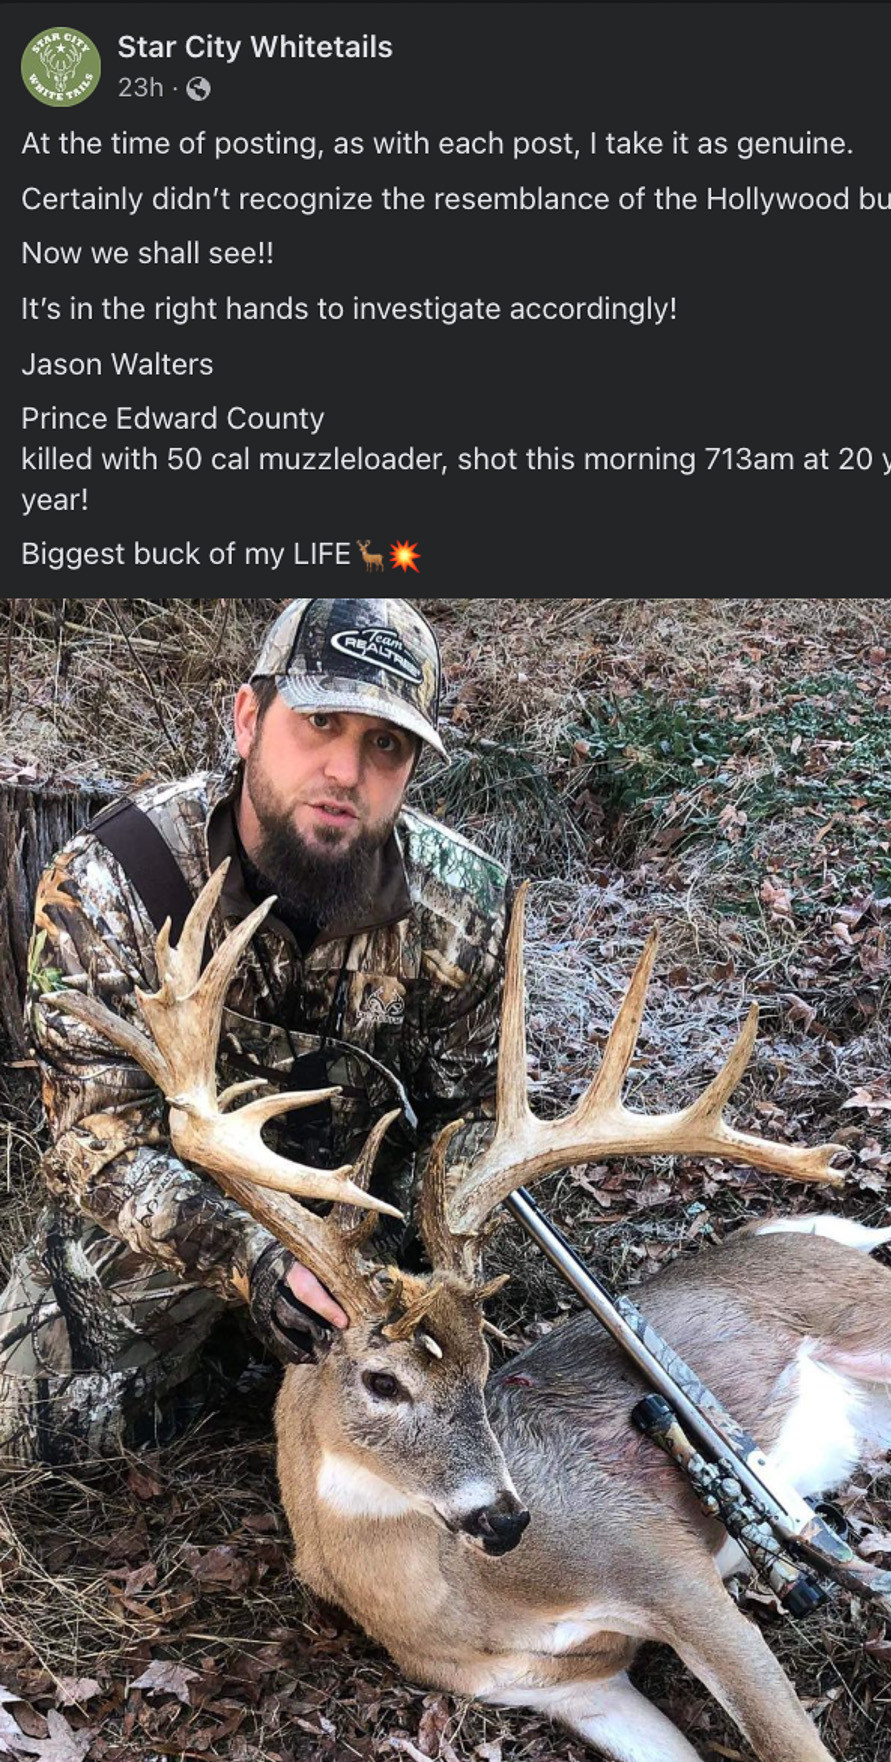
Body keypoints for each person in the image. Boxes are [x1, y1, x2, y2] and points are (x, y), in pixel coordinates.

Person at [0, 597, 510, 1466]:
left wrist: (440, 1257)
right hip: (181, 1219)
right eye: (319, 723)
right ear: (248, 719)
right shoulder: (112, 880)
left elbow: (473, 1119)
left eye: (384, 744)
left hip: (367, 1238)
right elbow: (95, 1141)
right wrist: (255, 1259)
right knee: (25, 1422)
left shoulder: (464, 908)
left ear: (411, 767)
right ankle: (229, 1381)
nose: (346, 771)